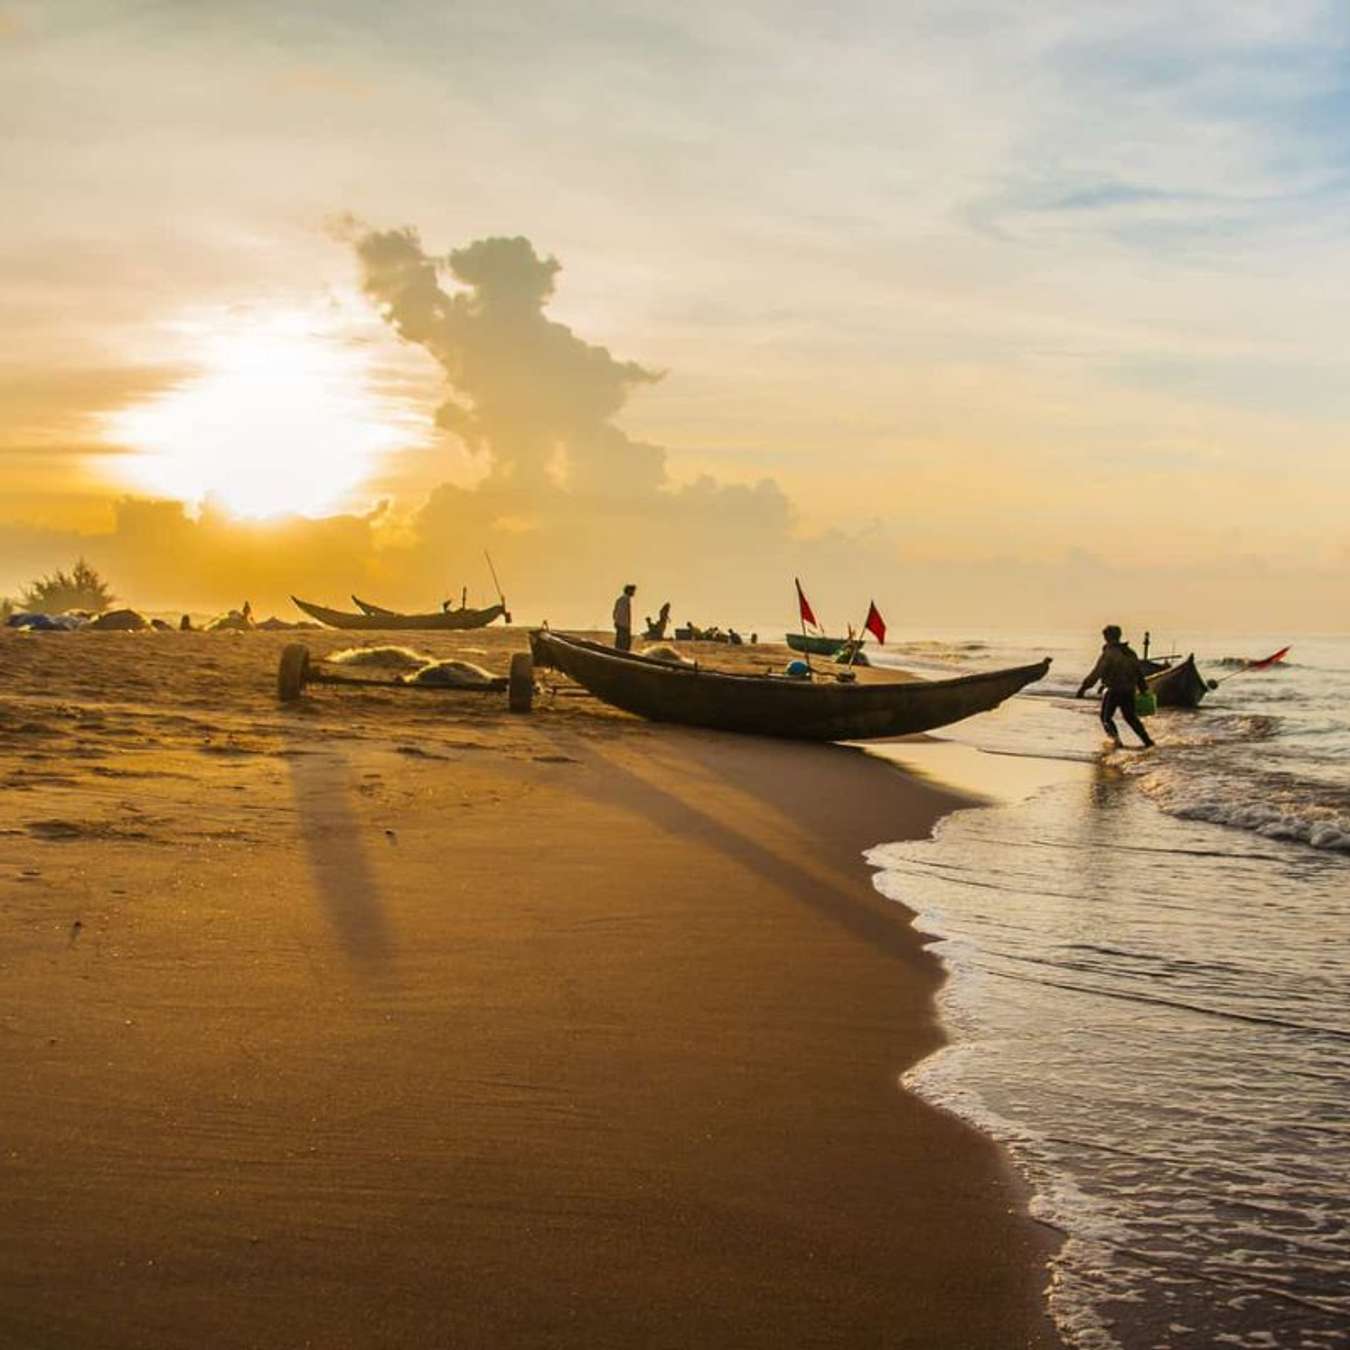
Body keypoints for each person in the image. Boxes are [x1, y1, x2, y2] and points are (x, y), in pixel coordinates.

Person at [1077, 624, 1154, 749]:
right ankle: (1147, 741)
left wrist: (1083, 688)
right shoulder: (1130, 652)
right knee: (1130, 718)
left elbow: (1097, 672)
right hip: (1129, 690)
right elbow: (1138, 672)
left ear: (1107, 637)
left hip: (1114, 690)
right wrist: (1143, 688)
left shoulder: (1110, 653)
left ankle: (1116, 742)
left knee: (1106, 718)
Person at [613, 583, 636, 651]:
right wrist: (619, 623)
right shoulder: (624, 599)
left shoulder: (623, 599)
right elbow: (620, 612)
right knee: (623, 645)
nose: (633, 593)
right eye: (632, 591)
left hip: (623, 625)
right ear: (628, 590)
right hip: (623, 626)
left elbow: (615, 612)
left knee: (622, 644)